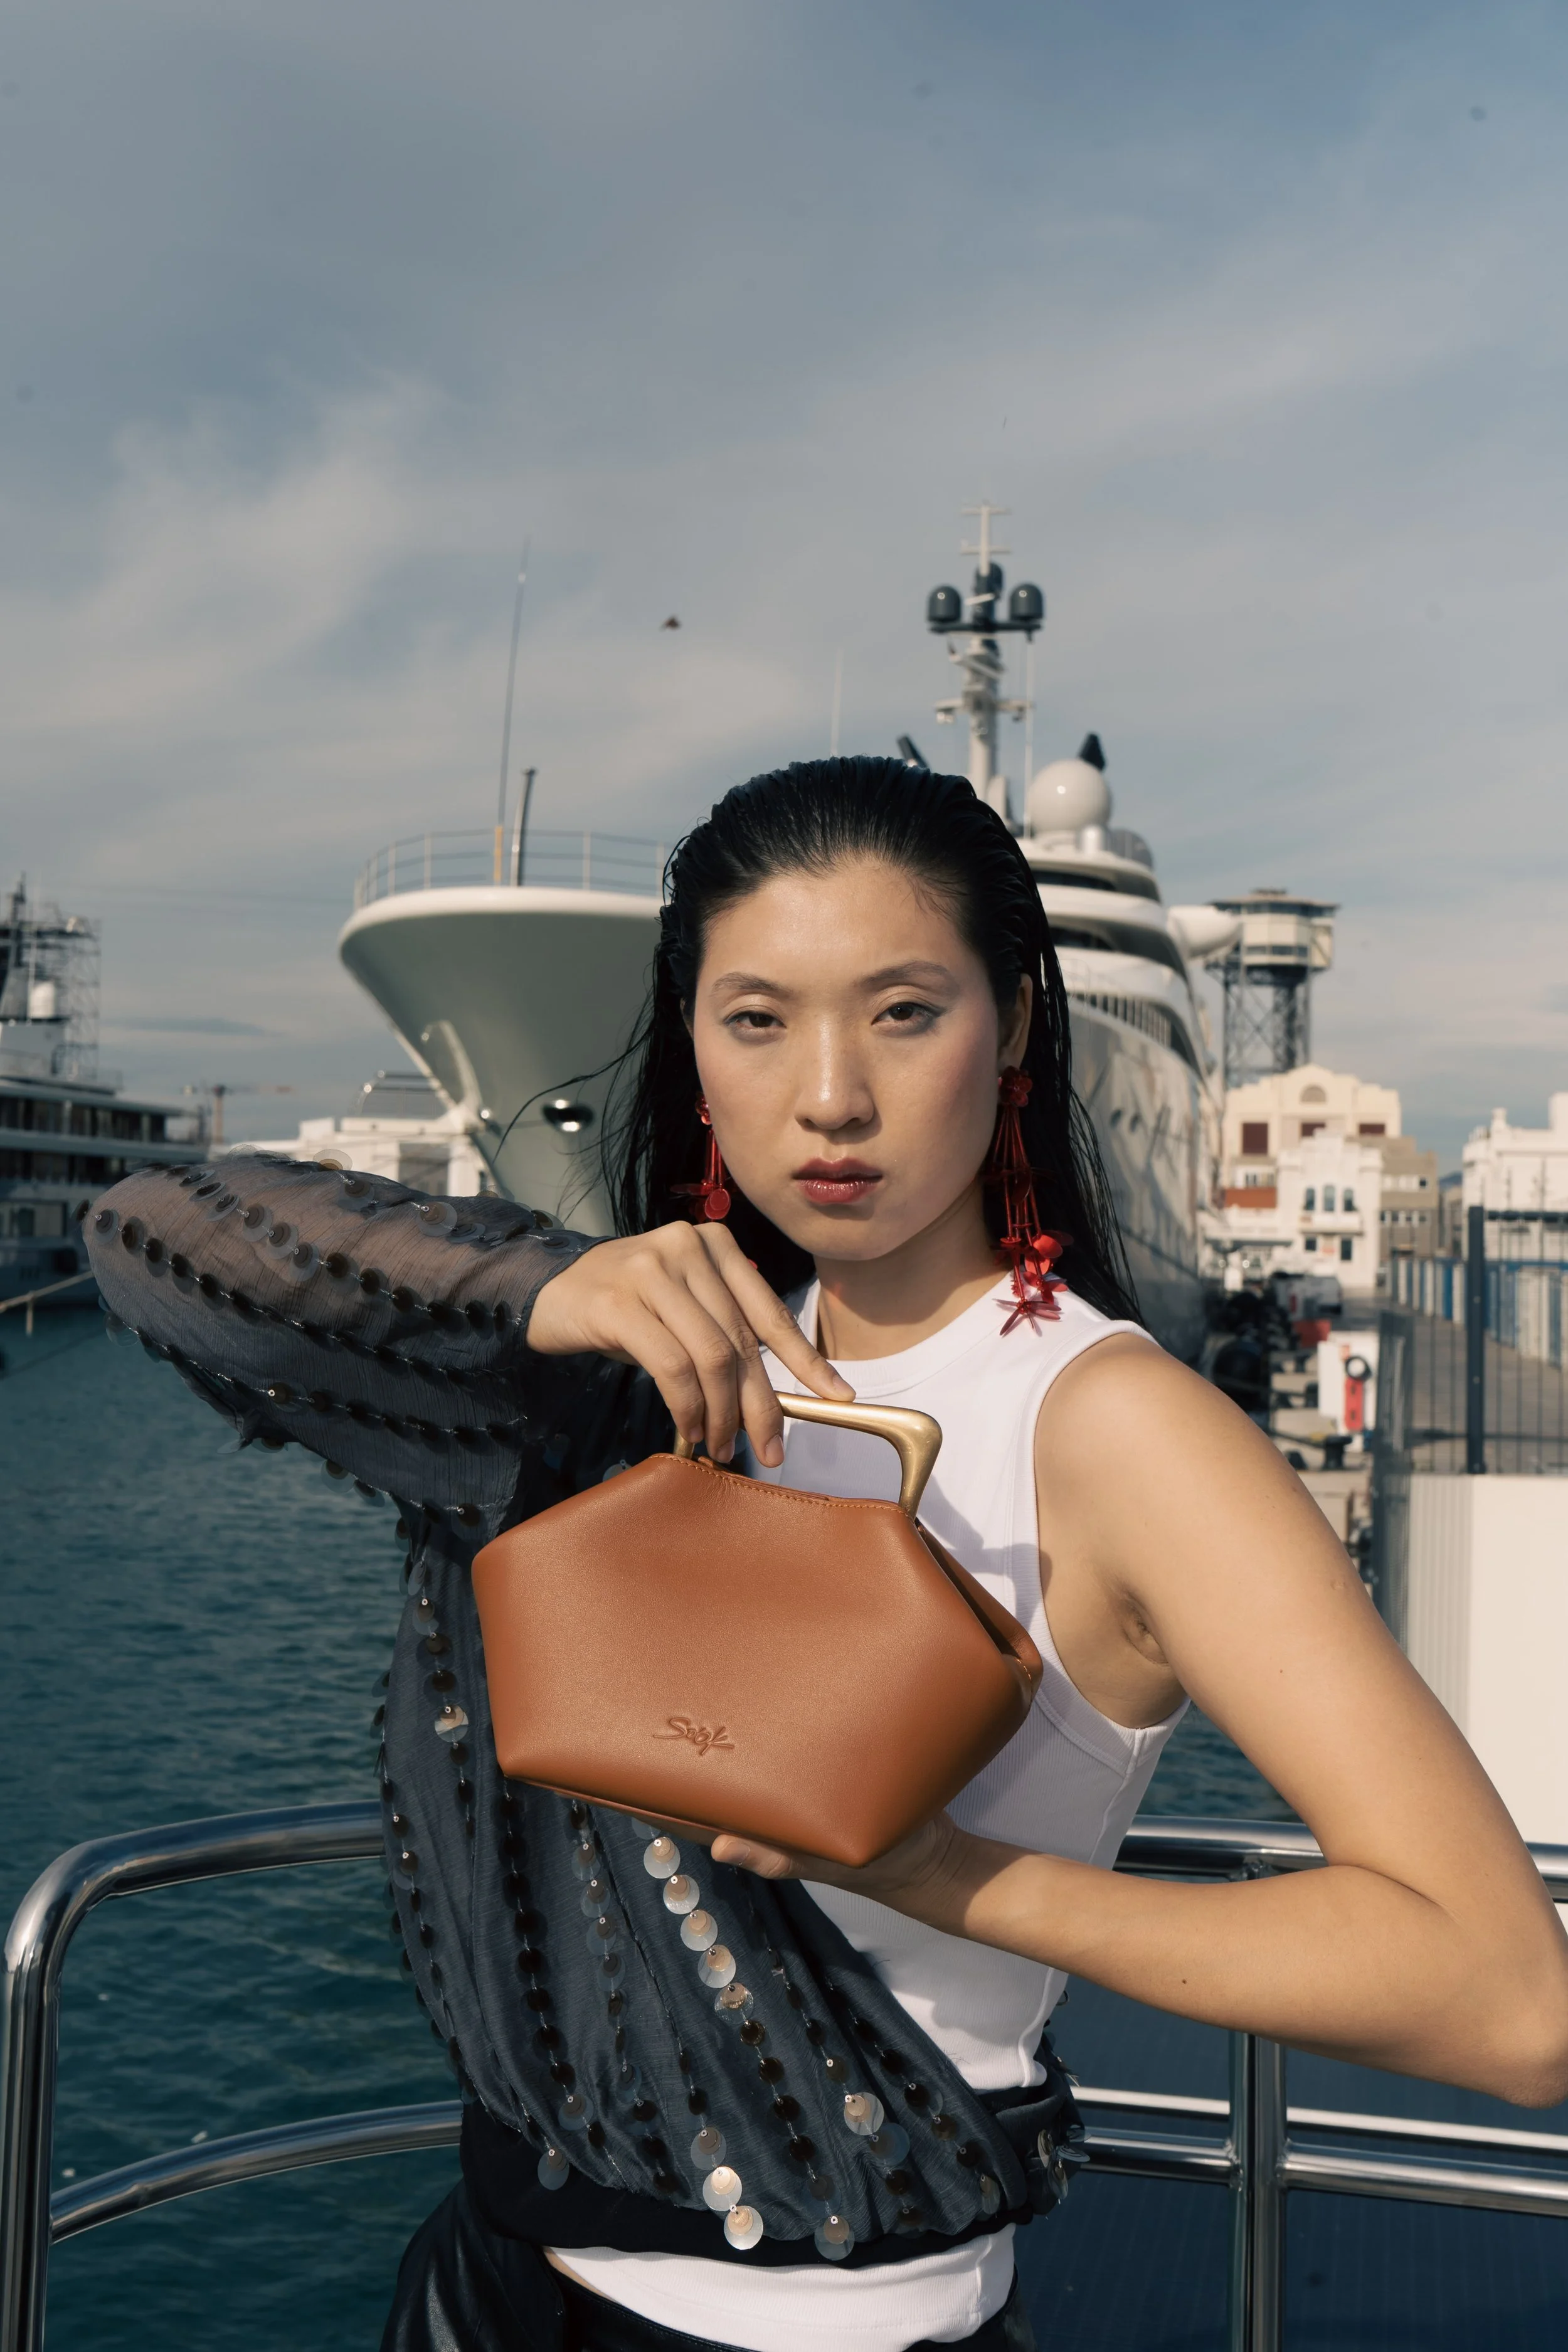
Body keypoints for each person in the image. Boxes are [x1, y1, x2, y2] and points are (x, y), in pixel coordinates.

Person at [87, 758, 1568, 2352]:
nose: (830, 1095)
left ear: (1008, 1026)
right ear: (696, 1055)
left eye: (902, 1011)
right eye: (757, 1018)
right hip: (491, 2278)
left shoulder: (1110, 1425)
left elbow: (1501, 1999)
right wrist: (536, 1288)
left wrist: (947, 1876)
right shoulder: (650, 1365)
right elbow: (151, 1236)